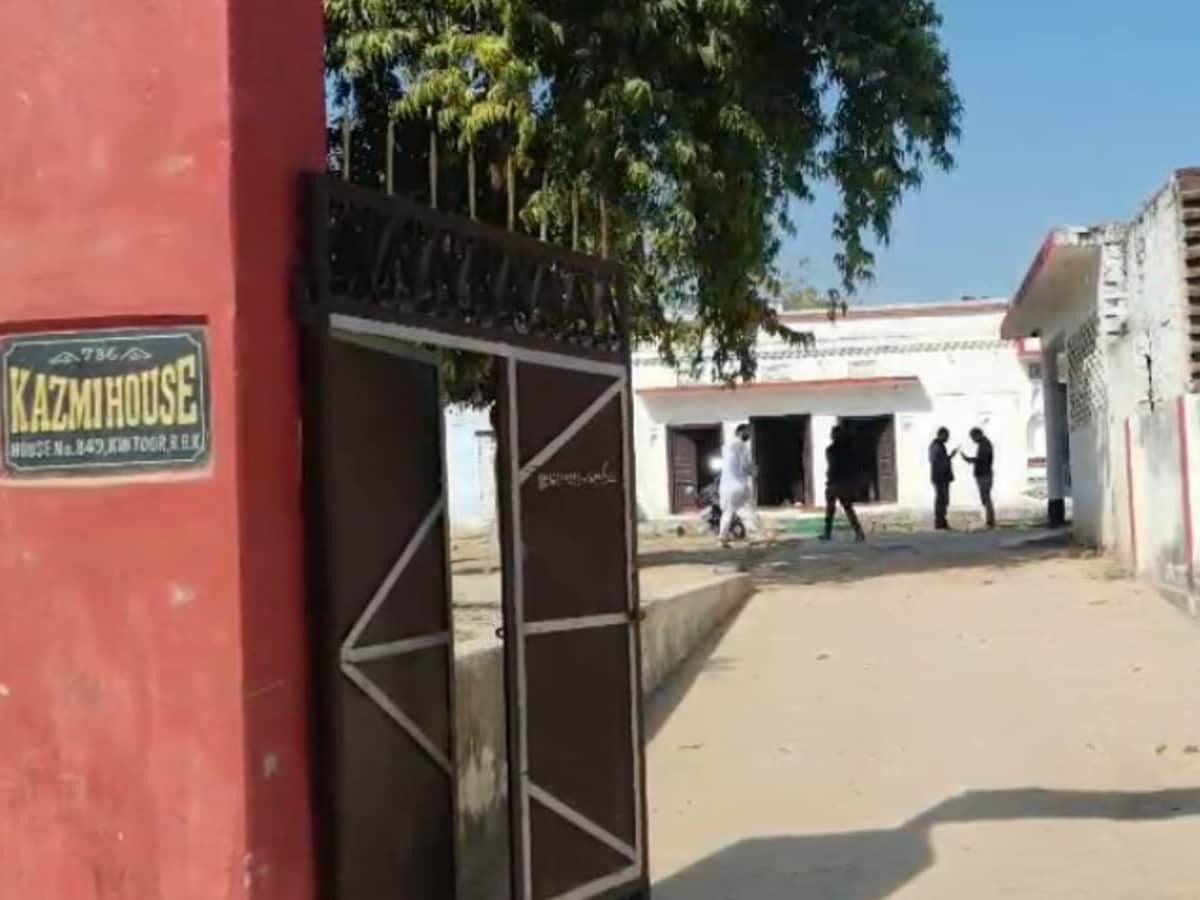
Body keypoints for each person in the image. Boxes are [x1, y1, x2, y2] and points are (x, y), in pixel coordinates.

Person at [821, 425, 866, 542]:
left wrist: (830, 479)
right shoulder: (849, 449)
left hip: (836, 481)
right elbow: (855, 466)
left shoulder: (832, 450)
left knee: (832, 508)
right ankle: (859, 533)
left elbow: (833, 466)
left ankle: (828, 533)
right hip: (844, 481)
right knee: (846, 508)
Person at [719, 424, 758, 546]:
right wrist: (753, 471)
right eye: (748, 433)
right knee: (747, 510)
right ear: (740, 432)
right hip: (740, 484)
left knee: (727, 512)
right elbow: (745, 466)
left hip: (726, 485)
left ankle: (723, 538)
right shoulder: (743, 447)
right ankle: (752, 535)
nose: (750, 436)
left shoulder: (726, 446)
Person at [962, 427, 996, 529]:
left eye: (973, 437)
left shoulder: (985, 444)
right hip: (984, 473)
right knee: (985, 497)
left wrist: (969, 459)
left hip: (984, 474)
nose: (973, 440)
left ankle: (990, 521)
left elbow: (982, 460)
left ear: (977, 435)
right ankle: (989, 520)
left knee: (986, 497)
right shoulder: (984, 444)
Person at [928, 427, 958, 530]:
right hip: (940, 477)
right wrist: (949, 458)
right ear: (941, 435)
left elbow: (941, 460)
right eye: (946, 436)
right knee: (941, 500)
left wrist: (950, 457)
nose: (948, 438)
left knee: (943, 500)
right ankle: (940, 523)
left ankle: (942, 522)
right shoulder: (936, 446)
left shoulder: (939, 445)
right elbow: (936, 461)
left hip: (942, 477)